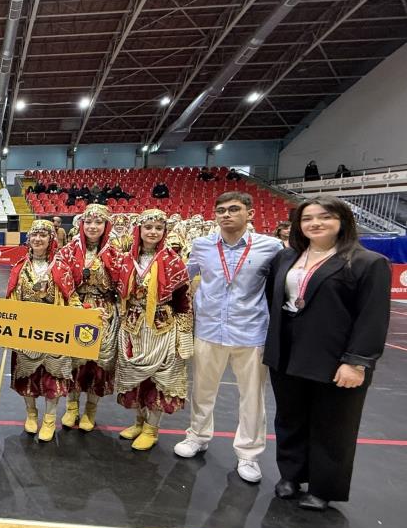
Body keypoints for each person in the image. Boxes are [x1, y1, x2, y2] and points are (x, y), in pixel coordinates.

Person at [264, 195, 390, 510]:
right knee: (289, 417)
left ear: (342, 221)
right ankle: (291, 476)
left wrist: (357, 362)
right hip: (287, 351)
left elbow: (372, 317)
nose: (315, 223)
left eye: (325, 217)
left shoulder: (366, 262)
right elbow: (273, 299)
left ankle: (323, 487)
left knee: (334, 424)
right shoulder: (286, 258)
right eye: (307, 218)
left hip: (335, 356)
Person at [173, 193, 282, 483]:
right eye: (221, 210)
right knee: (203, 391)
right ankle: (197, 436)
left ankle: (248, 454)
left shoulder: (270, 247)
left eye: (234, 209)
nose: (226, 215)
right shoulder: (202, 245)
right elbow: (180, 276)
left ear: (250, 213)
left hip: (252, 331)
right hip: (208, 329)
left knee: (252, 397)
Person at [115, 209, 191, 451]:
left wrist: (184, 334)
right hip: (132, 325)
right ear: (139, 230)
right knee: (134, 376)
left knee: (159, 379)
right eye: (148, 227)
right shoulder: (128, 259)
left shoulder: (173, 260)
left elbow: (183, 299)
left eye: (158, 228)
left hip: (161, 326)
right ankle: (139, 421)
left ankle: (152, 429)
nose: (153, 232)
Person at [7, 220, 80, 441]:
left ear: (51, 239)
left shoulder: (60, 267)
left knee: (52, 376)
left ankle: (49, 419)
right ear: (28, 239)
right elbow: (10, 298)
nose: (38, 239)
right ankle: (31, 414)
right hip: (26, 331)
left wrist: (86, 313)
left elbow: (71, 297)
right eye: (34, 235)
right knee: (27, 375)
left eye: (43, 235)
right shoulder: (20, 267)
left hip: (54, 330)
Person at [57, 204, 127, 433]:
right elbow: (60, 279)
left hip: (103, 313)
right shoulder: (67, 251)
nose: (93, 226)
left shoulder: (116, 253)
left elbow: (123, 285)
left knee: (98, 363)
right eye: (88, 222)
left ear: (106, 225)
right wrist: (76, 304)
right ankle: (71, 406)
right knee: (73, 360)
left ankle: (91, 409)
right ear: (81, 225)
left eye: (98, 222)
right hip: (75, 309)